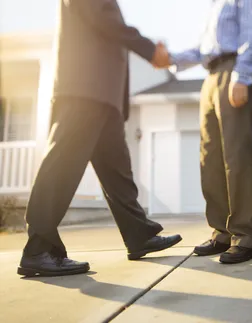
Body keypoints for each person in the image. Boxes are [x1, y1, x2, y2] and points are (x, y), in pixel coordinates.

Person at [17, 0, 181, 277]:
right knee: (63, 164)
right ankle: (38, 249)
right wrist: (149, 49)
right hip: (85, 87)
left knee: (117, 169)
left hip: (103, 93)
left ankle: (139, 234)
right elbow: (104, 18)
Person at [166, 0, 252, 264]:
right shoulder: (214, 6)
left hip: (232, 73)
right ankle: (222, 232)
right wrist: (171, 59)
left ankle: (246, 237)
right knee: (211, 160)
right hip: (210, 78)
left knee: (237, 157)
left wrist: (242, 75)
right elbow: (202, 50)